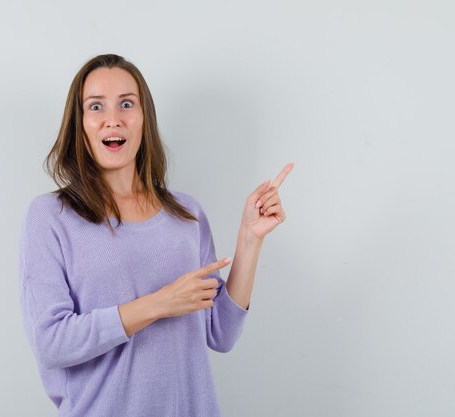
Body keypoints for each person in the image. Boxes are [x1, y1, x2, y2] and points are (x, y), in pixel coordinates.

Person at [18, 53, 294, 417]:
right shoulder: (51, 216)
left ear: (144, 118)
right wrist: (160, 303)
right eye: (96, 106)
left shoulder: (187, 214)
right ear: (79, 123)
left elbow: (221, 333)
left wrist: (250, 237)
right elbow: (51, 343)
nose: (112, 119)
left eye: (127, 104)